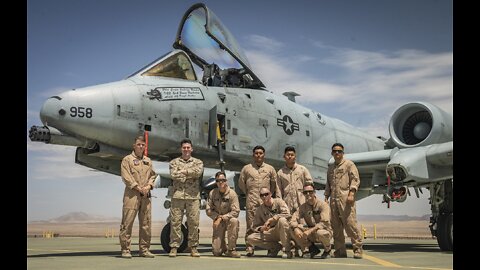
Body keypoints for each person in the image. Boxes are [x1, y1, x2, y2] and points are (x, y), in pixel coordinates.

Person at [238, 145, 281, 256]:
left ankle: (271, 248)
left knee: (268, 226)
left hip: (265, 202)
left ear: (264, 155)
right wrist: (250, 194)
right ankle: (249, 247)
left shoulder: (270, 169)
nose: (258, 155)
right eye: (256, 153)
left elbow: (273, 185)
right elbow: (241, 184)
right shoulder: (246, 169)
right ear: (253, 155)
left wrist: (267, 197)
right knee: (250, 225)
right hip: (251, 201)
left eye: (260, 153)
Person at [119, 135, 157, 258]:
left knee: (146, 223)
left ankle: (144, 250)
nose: (141, 147)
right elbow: (126, 176)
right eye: (139, 144)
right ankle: (126, 250)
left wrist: (149, 186)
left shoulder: (148, 161)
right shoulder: (127, 160)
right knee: (127, 222)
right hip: (132, 195)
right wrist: (137, 187)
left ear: (145, 147)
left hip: (145, 196)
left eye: (143, 145)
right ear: (134, 146)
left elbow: (153, 175)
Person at [324, 143, 363, 259]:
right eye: (335, 151)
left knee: (350, 224)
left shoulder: (349, 165)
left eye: (339, 151)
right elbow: (328, 184)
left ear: (343, 153)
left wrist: (352, 193)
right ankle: (340, 251)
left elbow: (355, 179)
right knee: (336, 227)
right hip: (333, 201)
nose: (337, 153)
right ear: (332, 153)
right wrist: (326, 197)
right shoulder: (331, 168)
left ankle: (358, 249)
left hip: (346, 199)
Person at [168, 139, 204, 257]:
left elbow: (198, 173)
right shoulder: (174, 162)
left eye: (188, 147)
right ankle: (174, 247)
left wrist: (183, 172)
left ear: (191, 149)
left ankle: (193, 247)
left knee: (193, 222)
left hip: (193, 196)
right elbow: (173, 174)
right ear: (181, 149)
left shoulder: (198, 162)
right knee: (175, 222)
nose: (186, 149)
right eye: (184, 147)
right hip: (177, 196)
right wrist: (189, 174)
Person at [277, 146, 314, 256]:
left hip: (301, 203)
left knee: (301, 225)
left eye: (292, 154)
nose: (290, 156)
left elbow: (309, 184)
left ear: (295, 156)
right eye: (288, 155)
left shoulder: (302, 170)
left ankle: (305, 248)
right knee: (289, 226)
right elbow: (278, 190)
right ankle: (292, 249)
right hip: (287, 203)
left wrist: (308, 200)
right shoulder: (280, 173)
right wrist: (281, 204)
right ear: (284, 157)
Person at [246, 187, 293, 259]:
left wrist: (273, 218)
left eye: (266, 194)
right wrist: (262, 228)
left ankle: (287, 250)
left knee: (282, 220)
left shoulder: (279, 202)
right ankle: (276, 247)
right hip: (270, 232)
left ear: (270, 194)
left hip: (281, 229)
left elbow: (288, 214)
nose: (264, 196)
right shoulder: (260, 209)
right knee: (250, 238)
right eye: (262, 195)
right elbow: (255, 226)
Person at [290, 184, 332, 259]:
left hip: (323, 231)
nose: (308, 194)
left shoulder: (323, 205)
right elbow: (293, 219)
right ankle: (311, 249)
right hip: (311, 232)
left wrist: (310, 231)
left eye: (310, 192)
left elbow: (324, 223)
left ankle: (327, 250)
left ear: (314, 192)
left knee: (321, 233)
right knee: (292, 229)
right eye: (305, 192)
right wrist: (296, 228)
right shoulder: (303, 207)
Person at [206, 171, 241, 258]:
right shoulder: (212, 193)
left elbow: (236, 211)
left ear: (226, 181)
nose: (221, 182)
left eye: (223, 180)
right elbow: (208, 210)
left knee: (234, 221)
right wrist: (217, 217)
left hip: (228, 220)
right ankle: (223, 246)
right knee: (217, 252)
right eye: (218, 180)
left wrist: (221, 218)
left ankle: (231, 250)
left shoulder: (232, 194)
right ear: (216, 182)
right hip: (219, 221)